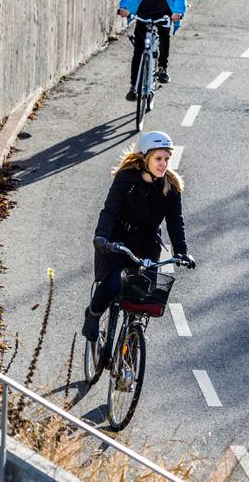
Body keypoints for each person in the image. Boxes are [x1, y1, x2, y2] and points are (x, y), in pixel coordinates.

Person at [82, 131, 196, 341]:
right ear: (145, 159)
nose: (163, 164)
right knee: (114, 285)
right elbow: (110, 211)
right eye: (158, 159)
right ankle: (93, 314)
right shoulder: (126, 180)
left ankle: (132, 339)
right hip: (116, 241)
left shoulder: (171, 188)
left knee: (141, 296)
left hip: (146, 244)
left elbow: (175, 222)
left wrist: (182, 252)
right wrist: (101, 237)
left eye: (167, 159)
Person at [118, 0, 188, 101]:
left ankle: (162, 68)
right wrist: (124, 7)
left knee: (164, 36)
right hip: (143, 11)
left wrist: (178, 11)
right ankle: (134, 87)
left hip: (165, 12)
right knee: (138, 50)